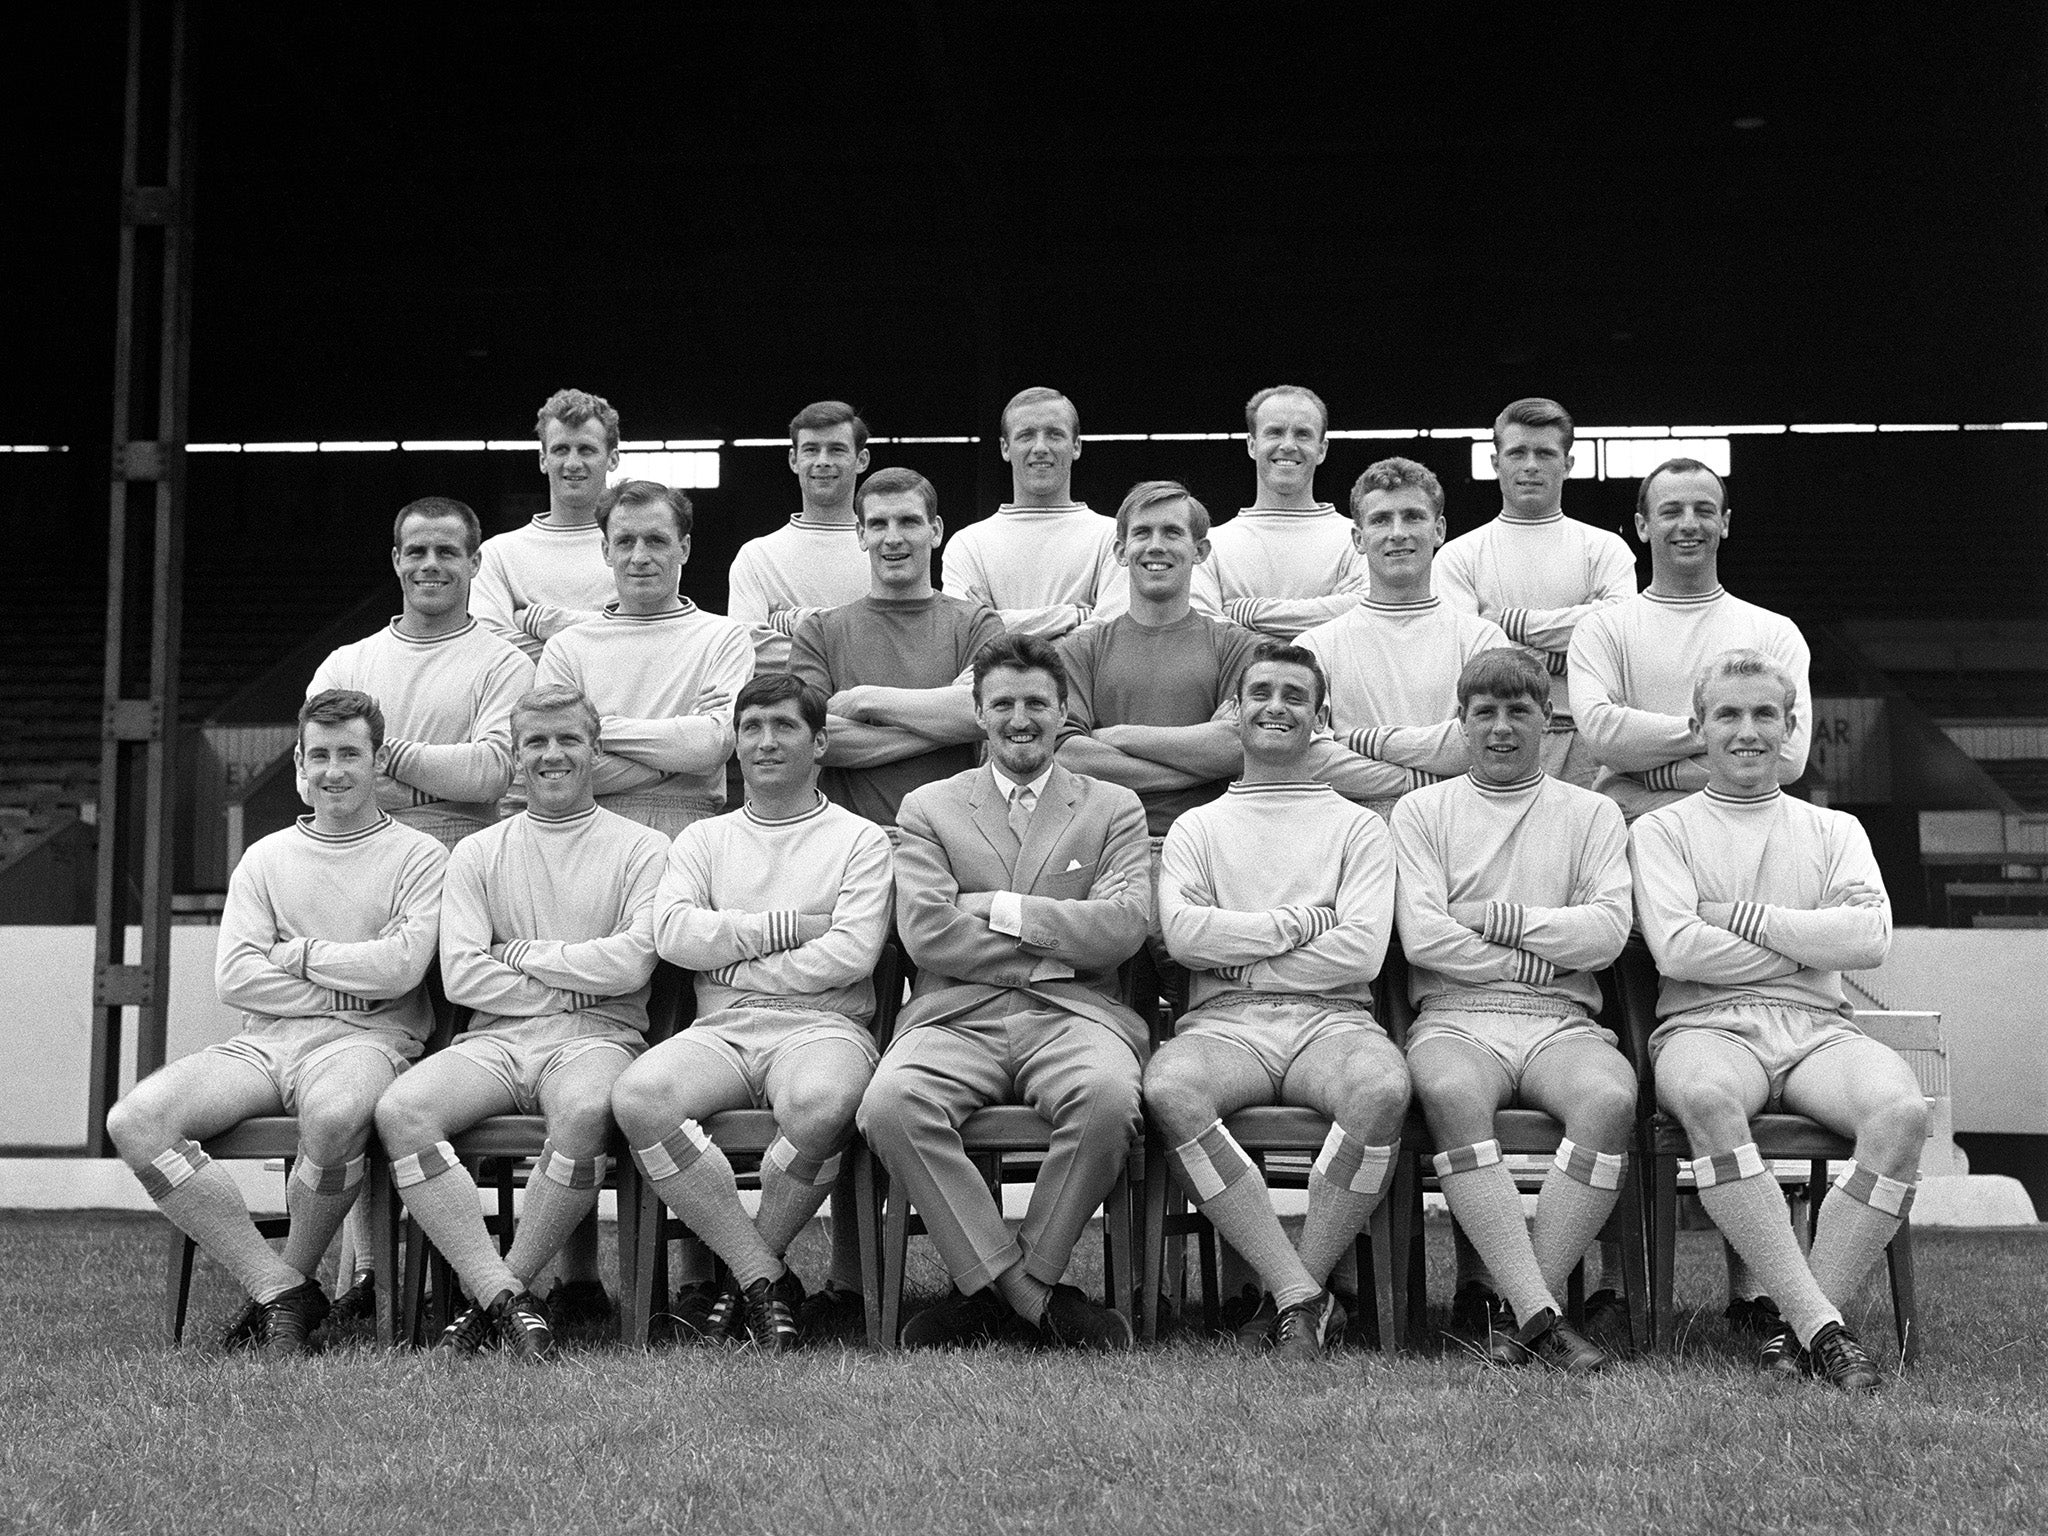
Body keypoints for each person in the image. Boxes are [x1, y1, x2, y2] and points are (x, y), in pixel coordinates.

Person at [106, 689, 446, 1354]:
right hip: (263, 1043)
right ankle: (282, 1289)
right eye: (319, 755)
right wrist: (348, 985)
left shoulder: (419, 856)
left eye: (350, 753)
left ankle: (287, 1290)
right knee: (136, 1121)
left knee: (333, 1116)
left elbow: (402, 969)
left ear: (378, 763)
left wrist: (300, 959)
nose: (334, 770)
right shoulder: (266, 857)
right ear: (299, 763)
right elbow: (236, 976)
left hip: (369, 1041)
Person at [1632, 650, 1925, 1393]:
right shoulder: (1663, 831)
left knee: (1900, 1112)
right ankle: (1825, 1330)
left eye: (1765, 714)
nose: (1747, 730)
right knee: (1705, 1099)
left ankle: (1800, 1330)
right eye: (1728, 714)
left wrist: (1737, 920)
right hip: (1707, 1027)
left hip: (1819, 1027)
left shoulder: (1834, 829)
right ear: (1698, 728)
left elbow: (1868, 940)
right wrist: (1803, 943)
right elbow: (1677, 949)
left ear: (1792, 727)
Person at [856, 633, 1151, 1349]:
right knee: (890, 1104)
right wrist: (1055, 948)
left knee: (1109, 1099)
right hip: (954, 1016)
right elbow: (929, 935)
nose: (1021, 719)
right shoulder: (929, 807)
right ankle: (1021, 1291)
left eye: (1036, 704)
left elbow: (1121, 929)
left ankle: (1010, 1283)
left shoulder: (1114, 807)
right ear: (980, 715)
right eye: (1004, 704)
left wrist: (999, 907)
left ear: (1063, 712)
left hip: (1076, 1016)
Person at [375, 685, 669, 1359]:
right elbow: (466, 976)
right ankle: (502, 1296)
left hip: (600, 1038)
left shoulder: (644, 848)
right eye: (535, 742)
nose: (552, 754)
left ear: (595, 749)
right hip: (495, 1040)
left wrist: (531, 960)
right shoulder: (478, 853)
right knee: (402, 1110)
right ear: (514, 757)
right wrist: (572, 986)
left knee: (587, 1112)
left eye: (568, 739)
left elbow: (630, 965)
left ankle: (493, 1299)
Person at [1142, 643, 1410, 1358]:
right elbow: (1188, 938)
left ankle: (1293, 1290)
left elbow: (1359, 952)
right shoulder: (1198, 826)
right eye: (1260, 692)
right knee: (1169, 1088)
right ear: (1234, 711)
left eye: (1295, 695)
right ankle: (1301, 1296)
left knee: (1382, 1089)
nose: (1276, 706)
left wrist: (1243, 960)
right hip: (1223, 1025)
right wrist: (1296, 927)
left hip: (1335, 1019)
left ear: (1320, 717)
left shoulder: (1359, 825)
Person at [612, 674, 893, 1351]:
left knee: (824, 1103)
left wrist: (731, 957)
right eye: (751, 728)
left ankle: (743, 1285)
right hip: (722, 1026)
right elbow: (675, 935)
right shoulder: (703, 841)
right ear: (734, 744)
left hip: (824, 1025)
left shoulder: (860, 840)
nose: (765, 741)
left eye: (784, 726)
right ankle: (761, 1278)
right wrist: (790, 927)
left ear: (820, 741)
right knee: (639, 1096)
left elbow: (851, 954)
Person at [1390, 647, 1635, 1372]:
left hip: (1561, 1017)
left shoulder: (1591, 812)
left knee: (1611, 1097)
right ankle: (1542, 1315)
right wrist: (1538, 947)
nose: (1501, 728)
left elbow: (1605, 932)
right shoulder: (1421, 810)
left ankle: (1520, 1304)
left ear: (1548, 721)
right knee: (1448, 1092)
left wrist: (1493, 917)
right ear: (1461, 723)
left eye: (1518, 711)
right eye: (1485, 713)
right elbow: (1425, 937)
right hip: (1456, 1015)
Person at [1568, 458, 1811, 822]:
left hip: (1737, 832)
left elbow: (1789, 759)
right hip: (1632, 836)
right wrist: (1729, 734)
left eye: (1703, 510)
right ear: (1642, 526)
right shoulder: (1601, 630)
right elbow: (1602, 737)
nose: (1688, 524)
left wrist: (1661, 773)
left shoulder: (1775, 632)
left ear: (1724, 522)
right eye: (1670, 512)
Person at [309, 497, 533, 849]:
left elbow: (489, 775)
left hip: (460, 855)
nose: (430, 564)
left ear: (474, 562)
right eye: (417, 552)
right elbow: (311, 780)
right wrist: (441, 789)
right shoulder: (344, 664)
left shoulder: (506, 665)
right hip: (355, 851)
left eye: (446, 552)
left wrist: (380, 757)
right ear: (397, 560)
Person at [1434, 399, 1637, 785]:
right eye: (1517, 453)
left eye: (1545, 453)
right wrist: (1572, 658)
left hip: (1586, 737)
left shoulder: (1606, 549)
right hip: (1498, 734)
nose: (1530, 465)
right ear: (1496, 463)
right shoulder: (1457, 556)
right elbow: (1470, 660)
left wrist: (1511, 623)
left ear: (1568, 463)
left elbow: (1618, 637)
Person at [535, 480, 754, 837]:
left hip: (689, 831)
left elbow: (709, 746)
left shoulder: (724, 638)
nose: (639, 556)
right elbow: (558, 764)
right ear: (606, 550)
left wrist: (594, 728)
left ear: (683, 548)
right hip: (588, 828)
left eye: (656, 540)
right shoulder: (566, 647)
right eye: (625, 542)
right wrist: (675, 758)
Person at [789, 466, 1003, 831]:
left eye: (908, 522)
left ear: (935, 531)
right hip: (849, 844)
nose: (892, 538)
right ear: (860, 534)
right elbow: (813, 741)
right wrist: (946, 723)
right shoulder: (820, 632)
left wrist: (865, 700)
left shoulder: (978, 624)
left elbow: (987, 714)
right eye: (878, 524)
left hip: (954, 842)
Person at [1297, 458, 1510, 814]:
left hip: (1461, 822)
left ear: (1439, 530)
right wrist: (1421, 781)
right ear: (1358, 538)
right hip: (1355, 831)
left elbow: (1484, 738)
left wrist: (1368, 743)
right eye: (1380, 519)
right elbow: (1309, 756)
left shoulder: (1482, 640)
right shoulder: (1315, 647)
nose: (1398, 532)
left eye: (1413, 516)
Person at [940, 386, 1125, 638]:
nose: (1040, 447)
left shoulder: (1114, 538)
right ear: (1005, 448)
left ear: (1076, 446)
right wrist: (1076, 616)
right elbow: (966, 635)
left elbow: (1109, 636)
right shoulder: (968, 545)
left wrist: (996, 623)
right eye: (1026, 435)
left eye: (1054, 435)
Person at [1193, 384, 1365, 636]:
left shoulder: (1358, 539)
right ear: (1252, 445)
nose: (1288, 445)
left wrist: (1245, 613)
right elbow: (1206, 635)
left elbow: (1368, 615)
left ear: (1322, 449)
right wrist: (1332, 616)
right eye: (1274, 432)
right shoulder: (1209, 546)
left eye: (1303, 434)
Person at [472, 388, 624, 661]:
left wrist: (546, 622)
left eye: (586, 450)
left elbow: (650, 635)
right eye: (561, 449)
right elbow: (489, 649)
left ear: (613, 458)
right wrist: (602, 642)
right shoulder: (497, 555)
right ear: (543, 459)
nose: (573, 463)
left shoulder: (639, 547)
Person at [727, 400, 876, 671]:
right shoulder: (757, 556)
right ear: (794, 460)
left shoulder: (885, 549)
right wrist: (853, 654)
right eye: (811, 450)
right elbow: (746, 647)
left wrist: (790, 623)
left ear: (861, 460)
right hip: (788, 712)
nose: (822, 461)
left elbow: (901, 637)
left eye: (837, 449)